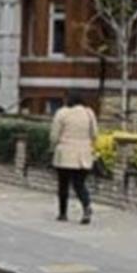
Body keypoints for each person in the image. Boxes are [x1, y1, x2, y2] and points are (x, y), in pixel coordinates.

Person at [51, 95, 97, 225]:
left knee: (63, 184)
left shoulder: (62, 113)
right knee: (79, 184)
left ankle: (63, 213)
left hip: (65, 153)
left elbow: (54, 135)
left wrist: (52, 147)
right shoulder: (89, 113)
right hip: (84, 153)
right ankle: (86, 205)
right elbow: (95, 134)